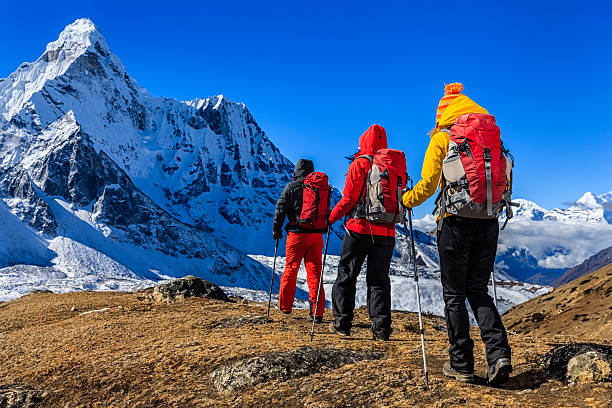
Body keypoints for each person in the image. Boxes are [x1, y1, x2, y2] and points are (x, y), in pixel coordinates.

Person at [402, 83, 512, 385]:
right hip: (488, 222)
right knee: (478, 290)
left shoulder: (442, 138)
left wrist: (405, 200)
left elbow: (427, 184)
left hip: (454, 224)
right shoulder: (491, 137)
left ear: (444, 112)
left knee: (454, 294)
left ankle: (461, 364)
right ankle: (499, 354)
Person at [327, 124, 395, 341]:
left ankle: (342, 324)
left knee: (347, 275)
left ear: (363, 143)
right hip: (386, 230)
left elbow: (348, 199)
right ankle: (381, 329)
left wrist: (331, 217)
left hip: (359, 229)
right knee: (379, 280)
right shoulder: (392, 166)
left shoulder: (360, 164)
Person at [272, 159, 326, 322]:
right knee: (315, 272)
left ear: (296, 171)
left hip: (296, 236)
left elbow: (280, 209)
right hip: (316, 236)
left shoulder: (291, 187)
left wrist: (276, 229)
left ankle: (285, 307)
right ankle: (317, 312)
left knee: (291, 269)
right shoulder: (318, 188)